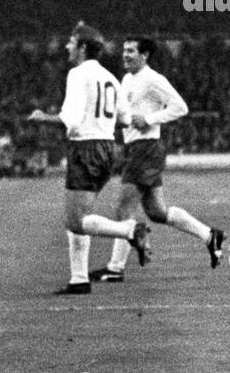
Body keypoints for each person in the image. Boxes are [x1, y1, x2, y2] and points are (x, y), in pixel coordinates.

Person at [28, 22, 150, 295]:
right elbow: (124, 119)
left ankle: (130, 231)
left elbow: (69, 121)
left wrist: (42, 118)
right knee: (79, 214)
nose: (67, 46)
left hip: (85, 148)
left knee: (75, 220)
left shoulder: (77, 74)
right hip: (107, 149)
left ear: (83, 48)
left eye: (71, 42)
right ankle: (79, 279)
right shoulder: (111, 78)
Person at [90, 37, 224, 282]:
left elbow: (181, 107)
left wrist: (151, 120)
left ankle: (115, 268)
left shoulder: (154, 79)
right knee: (157, 212)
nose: (125, 55)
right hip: (135, 148)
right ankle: (210, 236)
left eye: (131, 51)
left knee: (123, 208)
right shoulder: (128, 79)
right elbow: (126, 114)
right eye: (124, 51)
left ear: (145, 55)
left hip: (146, 149)